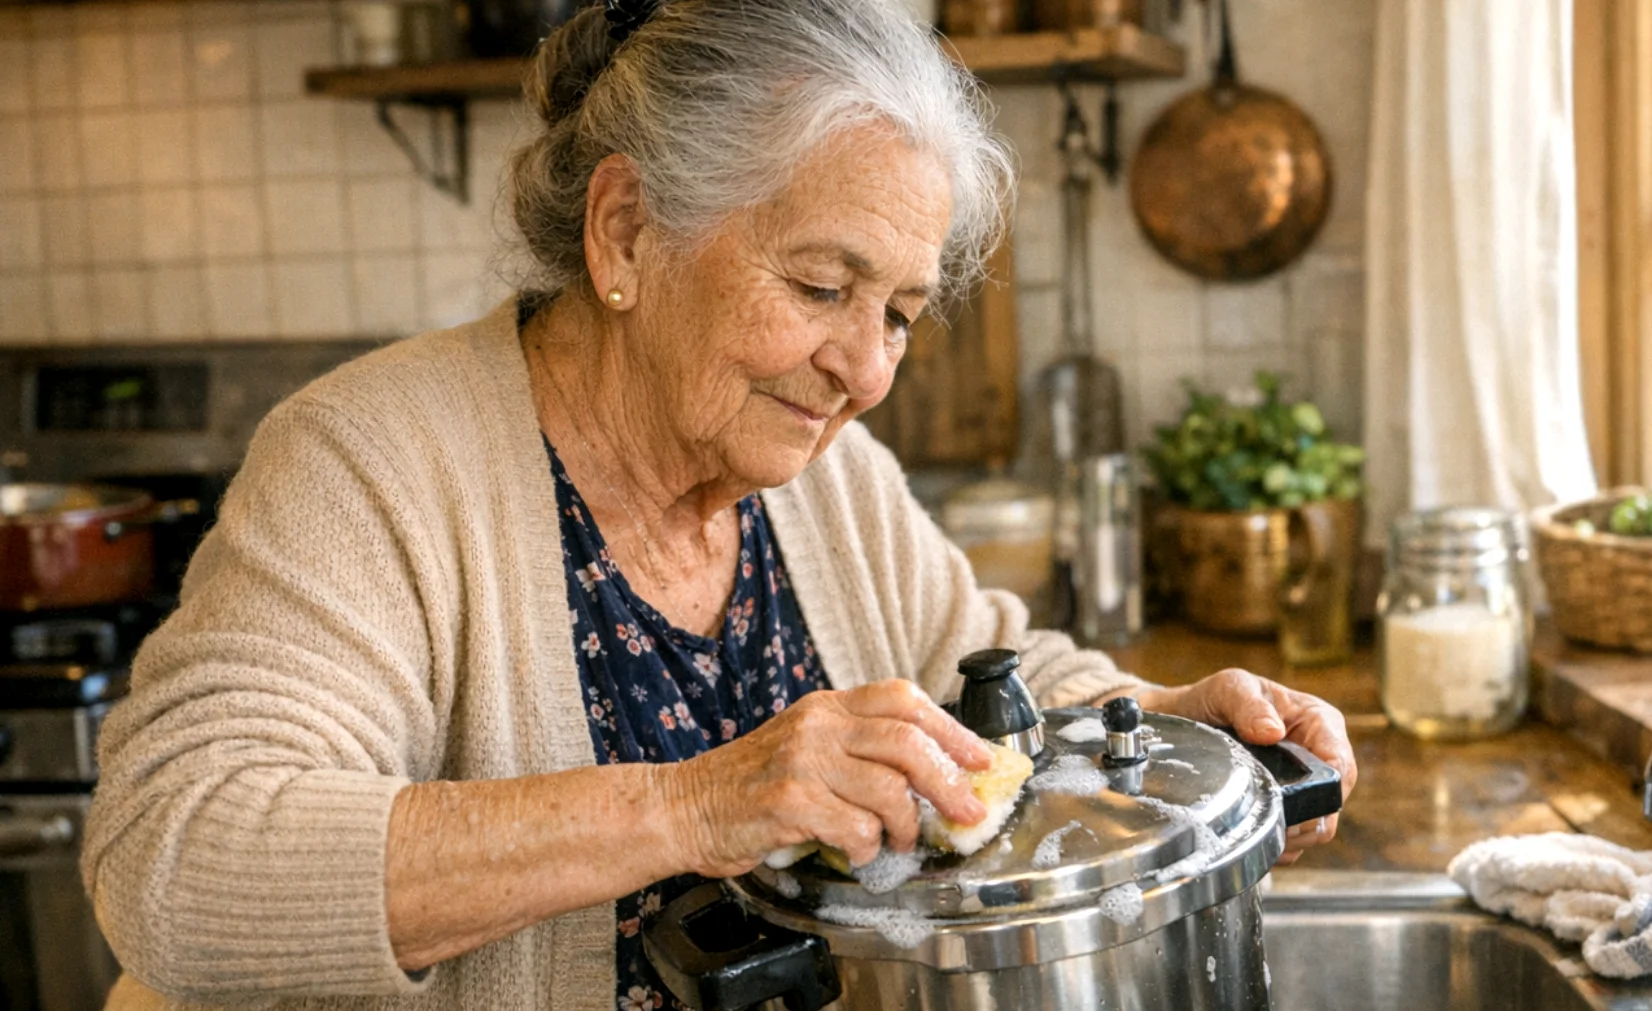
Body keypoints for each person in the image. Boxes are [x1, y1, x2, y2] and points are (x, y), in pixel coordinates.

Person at [81, 1, 1358, 1008]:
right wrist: (694, 804)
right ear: (627, 233)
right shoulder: (368, 465)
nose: (865, 372)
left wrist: (1147, 727)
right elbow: (175, 859)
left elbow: (986, 686)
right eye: (818, 287)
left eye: (901, 315)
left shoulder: (825, 478)